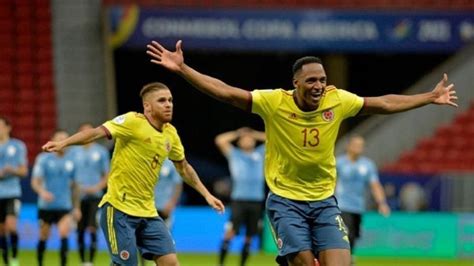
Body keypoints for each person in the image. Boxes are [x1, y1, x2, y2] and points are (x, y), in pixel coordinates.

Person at [146, 40, 458, 266]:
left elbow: (385, 103)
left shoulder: (339, 101)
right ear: (296, 83)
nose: (319, 85)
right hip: (285, 203)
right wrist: (183, 68)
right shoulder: (274, 102)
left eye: (322, 79)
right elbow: (226, 92)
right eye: (311, 80)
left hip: (324, 202)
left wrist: (429, 97)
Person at [42, 82, 225, 266]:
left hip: (148, 212)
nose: (168, 104)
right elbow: (95, 133)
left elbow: (184, 167)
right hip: (119, 210)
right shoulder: (132, 122)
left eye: (170, 100)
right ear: (147, 106)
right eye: (161, 100)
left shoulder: (171, 134)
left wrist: (207, 194)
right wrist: (63, 143)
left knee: (171, 263)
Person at [215, 127, 266, 266]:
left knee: (250, 236)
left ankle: (242, 264)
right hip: (239, 199)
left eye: (250, 138)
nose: (248, 139)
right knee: (230, 232)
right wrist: (238, 133)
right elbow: (220, 140)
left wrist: (254, 133)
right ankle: (221, 263)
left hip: (256, 200)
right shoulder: (235, 154)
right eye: (245, 138)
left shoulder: (261, 154)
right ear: (239, 142)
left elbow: (274, 139)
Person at [31, 130, 81, 266]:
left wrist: (76, 207)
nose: (62, 142)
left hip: (64, 205)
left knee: (64, 233)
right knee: (43, 236)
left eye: (65, 139)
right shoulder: (43, 159)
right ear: (53, 140)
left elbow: (76, 186)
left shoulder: (73, 160)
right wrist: (42, 192)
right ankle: (40, 262)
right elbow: (35, 182)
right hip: (46, 205)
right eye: (59, 139)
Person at [335, 135, 390, 258]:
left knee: (354, 235)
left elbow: (375, 185)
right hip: (342, 205)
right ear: (348, 146)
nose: (358, 147)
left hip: (358, 206)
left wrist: (382, 203)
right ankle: (344, 259)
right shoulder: (339, 162)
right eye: (356, 145)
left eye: (361, 145)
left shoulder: (368, 165)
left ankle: (350, 258)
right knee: (346, 234)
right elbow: (330, 182)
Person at [68, 123, 110, 266]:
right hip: (78, 198)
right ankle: (82, 261)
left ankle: (90, 261)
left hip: (95, 197)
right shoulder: (73, 153)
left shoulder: (101, 152)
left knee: (93, 228)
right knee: (79, 229)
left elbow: (107, 175)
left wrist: (96, 187)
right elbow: (70, 175)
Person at [140, 159, 183, 266]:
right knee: (142, 237)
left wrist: (172, 203)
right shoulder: (147, 161)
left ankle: (161, 262)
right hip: (148, 206)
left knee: (165, 237)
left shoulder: (170, 164)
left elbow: (178, 185)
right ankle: (143, 264)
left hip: (164, 206)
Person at [0, 116, 28, 266]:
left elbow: (24, 171)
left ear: (8, 127)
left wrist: (13, 170)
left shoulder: (18, 146)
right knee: (1, 230)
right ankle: (5, 260)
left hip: (12, 193)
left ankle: (15, 258)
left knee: (11, 226)